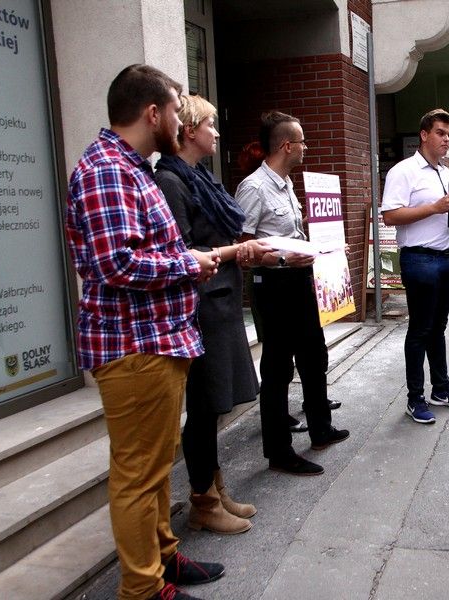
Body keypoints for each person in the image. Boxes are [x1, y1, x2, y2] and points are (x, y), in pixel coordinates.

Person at [65, 64, 224, 600]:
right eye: (176, 111)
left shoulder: (129, 168)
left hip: (153, 341)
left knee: (153, 469)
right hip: (135, 346)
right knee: (138, 475)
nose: (181, 122)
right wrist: (187, 264)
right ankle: (143, 588)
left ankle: (163, 560)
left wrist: (188, 260)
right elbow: (117, 264)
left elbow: (142, 251)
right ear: (152, 113)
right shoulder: (108, 170)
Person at [155, 95, 273, 535]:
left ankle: (215, 489)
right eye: (210, 124)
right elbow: (182, 253)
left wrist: (238, 251)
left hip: (220, 301)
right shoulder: (171, 181)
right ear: (189, 131)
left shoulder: (200, 177)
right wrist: (235, 251)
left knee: (215, 404)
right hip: (200, 307)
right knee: (204, 406)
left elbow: (215, 240)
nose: (217, 133)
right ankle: (203, 500)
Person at [234, 111, 349, 476]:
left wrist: (325, 244)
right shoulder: (254, 188)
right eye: (302, 142)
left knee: (314, 356)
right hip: (274, 286)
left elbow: (292, 236)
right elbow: (243, 249)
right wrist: (284, 258)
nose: (306, 148)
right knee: (278, 367)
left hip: (300, 281)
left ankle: (320, 429)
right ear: (286, 145)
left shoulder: (285, 183)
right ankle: (279, 452)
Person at [381, 108, 449, 424]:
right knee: (420, 330)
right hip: (419, 258)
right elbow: (390, 216)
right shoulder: (403, 171)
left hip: (448, 257)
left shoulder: (448, 174)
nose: (447, 139)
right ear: (424, 135)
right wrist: (434, 207)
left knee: (438, 328)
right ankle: (415, 398)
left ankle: (441, 389)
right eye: (440, 133)